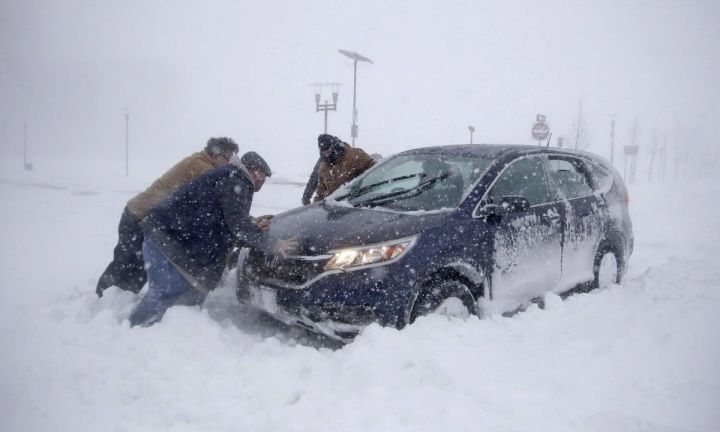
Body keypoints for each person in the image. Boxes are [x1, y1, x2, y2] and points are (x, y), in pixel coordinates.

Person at [128, 151, 295, 327]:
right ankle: (134, 329)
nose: (263, 181)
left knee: (191, 294)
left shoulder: (232, 177)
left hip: (175, 237)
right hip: (166, 237)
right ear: (253, 171)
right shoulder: (236, 182)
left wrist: (251, 223)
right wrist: (273, 245)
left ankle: (172, 331)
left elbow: (229, 215)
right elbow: (237, 226)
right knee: (164, 291)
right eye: (263, 175)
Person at [95, 137, 239, 297]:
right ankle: (102, 299)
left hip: (147, 218)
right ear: (217, 154)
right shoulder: (198, 164)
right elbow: (220, 185)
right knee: (126, 263)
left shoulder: (201, 163)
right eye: (229, 158)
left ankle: (116, 300)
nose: (230, 164)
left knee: (138, 267)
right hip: (138, 215)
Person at [314, 134, 376, 201]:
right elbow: (320, 191)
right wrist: (315, 207)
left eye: (328, 151)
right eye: (324, 153)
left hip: (358, 204)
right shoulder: (323, 167)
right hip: (332, 206)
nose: (327, 155)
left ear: (335, 146)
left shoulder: (355, 155)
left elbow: (375, 171)